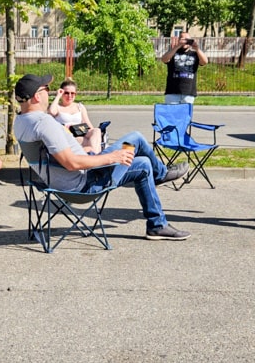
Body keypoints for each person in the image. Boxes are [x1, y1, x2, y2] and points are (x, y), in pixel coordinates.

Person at [13, 73, 190, 241]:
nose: (49, 93)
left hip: (58, 183)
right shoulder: (43, 123)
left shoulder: (21, 121)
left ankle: (157, 222)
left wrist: (89, 151)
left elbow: (64, 158)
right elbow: (72, 163)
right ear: (37, 96)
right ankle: (161, 179)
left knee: (143, 164)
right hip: (85, 184)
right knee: (135, 139)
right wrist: (112, 157)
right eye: (46, 88)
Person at [48, 79, 102, 153]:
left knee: (97, 131)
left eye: (72, 93)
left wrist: (95, 136)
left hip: (80, 132)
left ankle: (92, 152)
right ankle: (94, 155)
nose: (70, 96)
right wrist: (58, 96)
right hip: (67, 137)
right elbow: (51, 111)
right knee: (89, 142)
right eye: (66, 93)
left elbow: (89, 126)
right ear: (62, 93)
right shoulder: (57, 107)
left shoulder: (80, 107)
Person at [161, 31, 208, 105]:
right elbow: (164, 59)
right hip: (172, 91)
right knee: (172, 115)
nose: (185, 42)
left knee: (185, 115)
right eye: (183, 39)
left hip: (188, 92)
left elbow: (205, 62)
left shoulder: (195, 54)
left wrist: (197, 48)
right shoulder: (173, 53)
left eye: (187, 40)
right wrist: (177, 46)